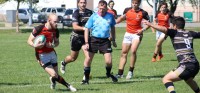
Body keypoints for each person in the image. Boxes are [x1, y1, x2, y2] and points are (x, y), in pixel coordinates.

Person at [143, 16, 200, 93]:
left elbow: (163, 29)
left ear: (175, 26)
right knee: (189, 80)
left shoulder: (174, 32)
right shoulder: (190, 33)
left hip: (186, 65)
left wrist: (150, 24)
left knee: (166, 79)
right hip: (195, 65)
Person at [27, 13, 77, 92]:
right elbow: (29, 40)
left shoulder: (55, 30)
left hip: (52, 53)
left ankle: (53, 81)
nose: (56, 23)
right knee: (54, 74)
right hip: (41, 55)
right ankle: (69, 86)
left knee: (55, 76)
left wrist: (52, 45)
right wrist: (35, 45)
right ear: (49, 21)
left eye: (57, 21)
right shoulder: (39, 28)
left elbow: (57, 42)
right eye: (55, 22)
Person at [82, 0, 118, 84]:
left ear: (106, 8)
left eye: (103, 8)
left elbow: (112, 27)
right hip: (94, 39)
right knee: (88, 59)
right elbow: (86, 28)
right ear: (98, 7)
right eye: (100, 8)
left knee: (108, 61)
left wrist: (113, 39)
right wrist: (86, 42)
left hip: (105, 40)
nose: (101, 10)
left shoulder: (110, 16)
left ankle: (108, 74)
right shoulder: (93, 16)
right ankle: (86, 79)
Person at [115, 0, 150, 79]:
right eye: (133, 3)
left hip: (137, 34)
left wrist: (142, 30)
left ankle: (130, 71)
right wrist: (113, 23)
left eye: (136, 3)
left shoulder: (143, 13)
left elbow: (148, 24)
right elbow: (121, 18)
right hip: (128, 34)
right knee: (124, 53)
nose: (134, 5)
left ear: (139, 3)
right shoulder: (127, 10)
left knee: (133, 51)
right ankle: (120, 73)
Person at [60, 0, 93, 74]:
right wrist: (84, 28)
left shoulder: (90, 12)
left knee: (88, 57)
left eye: (84, 3)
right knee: (73, 58)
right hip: (76, 37)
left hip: (86, 38)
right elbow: (75, 26)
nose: (83, 4)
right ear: (78, 4)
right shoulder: (76, 13)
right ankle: (64, 63)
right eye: (81, 3)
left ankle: (86, 76)